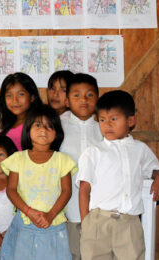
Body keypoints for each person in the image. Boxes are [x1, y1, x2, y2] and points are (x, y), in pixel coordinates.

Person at [77, 90, 159, 260]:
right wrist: (86, 223)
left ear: (131, 120)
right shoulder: (93, 152)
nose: (107, 125)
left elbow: (153, 167)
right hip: (98, 221)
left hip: (130, 223)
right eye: (102, 120)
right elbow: (84, 189)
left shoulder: (140, 149)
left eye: (113, 119)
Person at [0, 105, 75, 260]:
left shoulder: (62, 160)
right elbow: (11, 190)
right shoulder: (18, 158)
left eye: (49, 126)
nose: (44, 130)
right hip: (24, 224)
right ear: (28, 129)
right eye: (38, 125)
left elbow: (67, 191)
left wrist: (50, 215)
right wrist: (29, 212)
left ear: (57, 133)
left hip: (53, 224)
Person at [59, 73, 102, 260]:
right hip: (68, 211)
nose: (83, 100)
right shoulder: (58, 125)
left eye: (89, 95)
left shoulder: (104, 126)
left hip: (101, 210)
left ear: (97, 99)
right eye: (76, 95)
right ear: (67, 101)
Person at [0, 72, 42, 150]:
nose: (15, 100)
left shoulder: (37, 124)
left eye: (21, 94)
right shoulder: (10, 122)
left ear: (32, 97)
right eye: (9, 95)